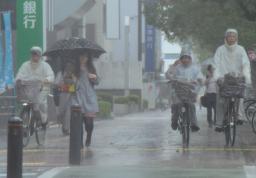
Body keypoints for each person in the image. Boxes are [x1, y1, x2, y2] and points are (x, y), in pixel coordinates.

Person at [213, 29, 251, 132]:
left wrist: (246, 76)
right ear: (226, 38)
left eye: (233, 36)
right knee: (220, 101)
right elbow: (216, 64)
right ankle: (219, 123)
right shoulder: (220, 50)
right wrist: (217, 77)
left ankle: (239, 117)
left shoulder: (241, 49)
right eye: (229, 36)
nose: (231, 38)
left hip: (237, 79)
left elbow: (245, 64)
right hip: (223, 79)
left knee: (240, 97)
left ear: (236, 38)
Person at [16, 46, 55, 128]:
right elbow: (19, 75)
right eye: (33, 54)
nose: (35, 56)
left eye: (37, 54)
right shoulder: (25, 65)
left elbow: (51, 75)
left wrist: (46, 80)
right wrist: (18, 80)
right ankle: (26, 123)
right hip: (29, 89)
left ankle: (44, 121)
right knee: (26, 103)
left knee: (41, 104)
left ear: (40, 55)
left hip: (42, 88)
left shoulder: (45, 66)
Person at [169, 50, 204, 132]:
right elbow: (171, 76)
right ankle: (174, 121)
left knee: (191, 106)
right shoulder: (177, 68)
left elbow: (200, 77)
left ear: (190, 59)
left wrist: (199, 80)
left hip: (190, 92)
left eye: (187, 58)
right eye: (183, 58)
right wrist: (173, 80)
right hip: (179, 92)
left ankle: (194, 124)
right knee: (176, 105)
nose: (185, 60)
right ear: (181, 59)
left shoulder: (195, 69)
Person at [72, 52, 99, 147]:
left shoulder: (91, 69)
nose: (83, 58)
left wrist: (94, 78)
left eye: (85, 56)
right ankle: (79, 143)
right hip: (78, 97)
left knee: (89, 123)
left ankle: (89, 136)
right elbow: (68, 83)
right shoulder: (74, 69)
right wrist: (72, 80)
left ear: (88, 58)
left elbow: (97, 82)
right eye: (81, 56)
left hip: (89, 97)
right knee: (78, 123)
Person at [54, 61, 76, 135]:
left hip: (71, 95)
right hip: (63, 94)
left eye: (71, 66)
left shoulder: (74, 74)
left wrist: (73, 80)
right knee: (62, 111)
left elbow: (77, 84)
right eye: (67, 66)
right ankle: (63, 125)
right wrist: (62, 84)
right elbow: (56, 83)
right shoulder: (61, 73)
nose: (69, 67)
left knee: (68, 112)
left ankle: (66, 129)